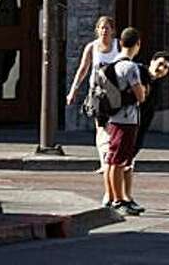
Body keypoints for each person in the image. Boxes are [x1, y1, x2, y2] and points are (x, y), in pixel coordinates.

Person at [65, 15, 120, 206]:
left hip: (116, 94)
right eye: (101, 28)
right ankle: (104, 160)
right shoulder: (92, 47)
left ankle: (111, 157)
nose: (104, 31)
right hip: (97, 93)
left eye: (108, 28)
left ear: (113, 30)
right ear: (97, 30)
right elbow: (83, 69)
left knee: (114, 128)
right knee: (101, 128)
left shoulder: (118, 47)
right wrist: (73, 91)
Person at [121, 51, 169, 214]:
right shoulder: (139, 73)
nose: (162, 68)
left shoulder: (155, 82)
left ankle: (127, 197)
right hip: (128, 124)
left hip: (140, 127)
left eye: (166, 67)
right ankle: (117, 198)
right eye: (160, 63)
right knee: (122, 163)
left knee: (129, 163)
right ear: (152, 61)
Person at [105, 27, 146, 216]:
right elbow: (141, 95)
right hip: (126, 119)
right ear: (137, 44)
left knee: (114, 159)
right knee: (119, 161)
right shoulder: (131, 67)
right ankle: (118, 200)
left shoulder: (112, 64)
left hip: (113, 117)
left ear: (120, 43)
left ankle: (115, 197)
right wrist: (142, 90)